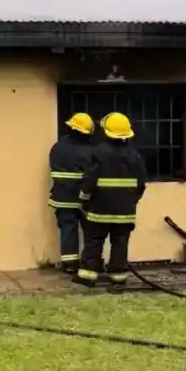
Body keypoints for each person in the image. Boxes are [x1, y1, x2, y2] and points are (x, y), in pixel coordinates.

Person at [74, 112, 147, 290]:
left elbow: (90, 180)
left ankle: (88, 275)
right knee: (120, 242)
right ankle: (118, 276)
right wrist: (132, 201)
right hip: (125, 212)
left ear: (106, 132)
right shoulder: (134, 156)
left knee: (94, 241)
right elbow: (141, 184)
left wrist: (83, 200)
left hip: (99, 210)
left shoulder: (98, 152)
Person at [48, 112, 95, 273]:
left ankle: (69, 264)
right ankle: (91, 262)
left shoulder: (58, 147)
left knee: (68, 230)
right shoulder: (90, 151)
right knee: (91, 232)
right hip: (84, 199)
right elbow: (92, 175)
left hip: (62, 197)